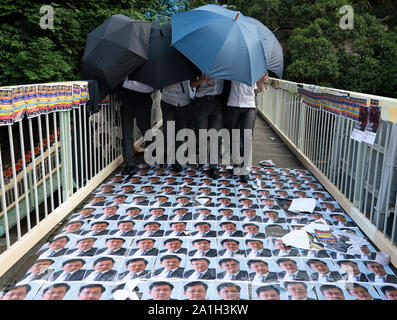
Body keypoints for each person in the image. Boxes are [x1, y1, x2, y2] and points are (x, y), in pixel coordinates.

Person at [190, 73, 225, 179]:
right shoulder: (200, 63)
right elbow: (191, 85)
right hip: (202, 100)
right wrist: (202, 79)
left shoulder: (225, 63)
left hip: (219, 100)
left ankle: (214, 166)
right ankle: (202, 159)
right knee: (201, 133)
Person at [120, 78, 154, 175]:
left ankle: (153, 152)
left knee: (145, 128)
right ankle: (129, 163)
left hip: (143, 94)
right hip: (127, 93)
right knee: (126, 129)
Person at [160, 80, 191, 171]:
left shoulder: (187, 67)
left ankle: (176, 160)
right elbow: (159, 83)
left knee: (180, 132)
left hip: (184, 101)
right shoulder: (164, 67)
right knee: (169, 131)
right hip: (168, 101)